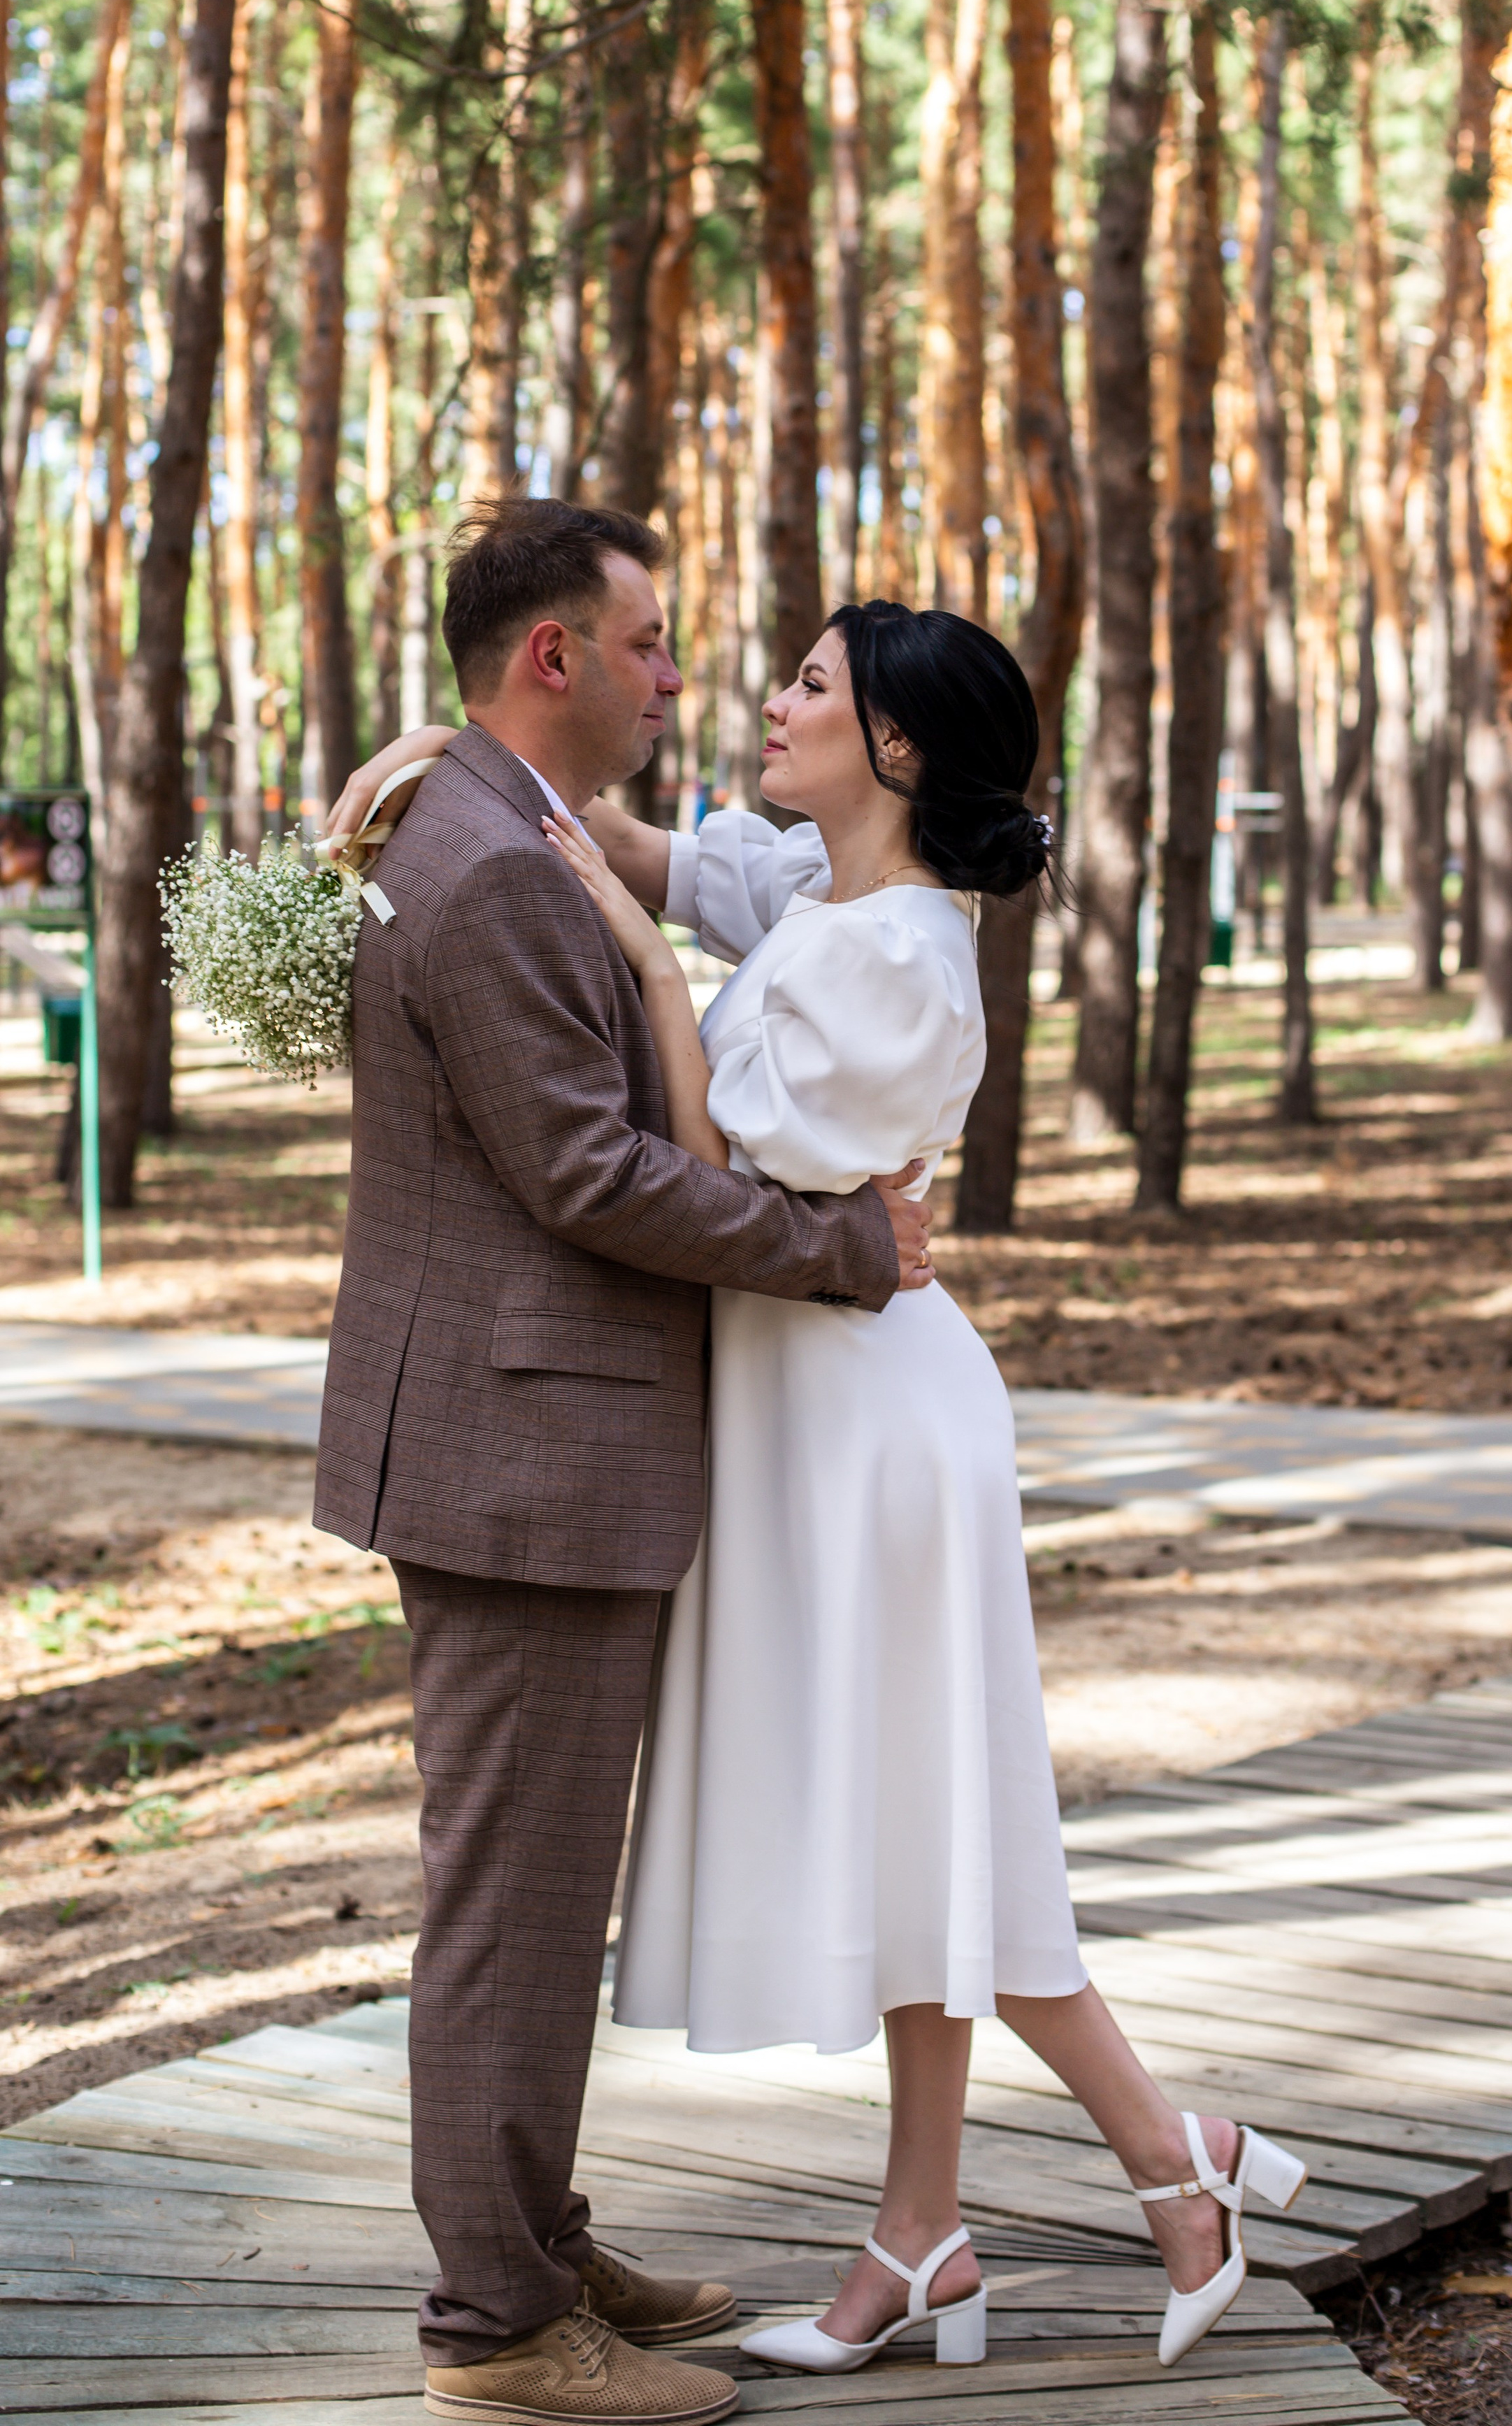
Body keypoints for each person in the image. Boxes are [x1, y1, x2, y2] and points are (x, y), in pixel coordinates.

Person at [343, 570, 1306, 2392]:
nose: (761, 704)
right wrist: (454, 765)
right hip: (808, 1407)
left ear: (895, 745)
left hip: (867, 1423)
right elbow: (640, 845)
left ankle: (1181, 2162)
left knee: (942, 1837)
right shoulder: (824, 887)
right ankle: (917, 2231)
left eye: (805, 685)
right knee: (904, 1830)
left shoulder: (898, 954)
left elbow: (698, 1153)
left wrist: (632, 966)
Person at [315, 498, 935, 2426]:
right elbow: (588, 1173)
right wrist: (845, 1251)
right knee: (509, 1894)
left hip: (525, 1439)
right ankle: (494, 2334)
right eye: (652, 645)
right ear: (554, 660)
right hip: (521, 1453)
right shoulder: (494, 866)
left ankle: (531, 2237)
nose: (684, 680)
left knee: (530, 1880)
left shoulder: (512, 827)